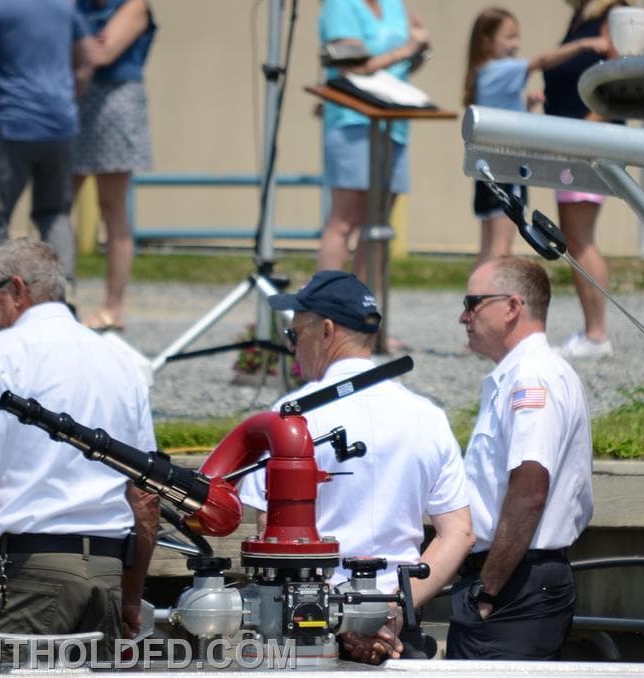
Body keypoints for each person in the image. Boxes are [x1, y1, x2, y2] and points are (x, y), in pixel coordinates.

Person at [0, 238, 160, 665]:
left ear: (17, 290)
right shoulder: (121, 362)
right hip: (106, 578)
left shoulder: (1, 353)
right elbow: (146, 497)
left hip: (28, 577)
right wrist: (130, 595)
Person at [239, 270, 473, 658]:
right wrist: (395, 609)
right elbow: (459, 534)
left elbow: (273, 534)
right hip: (399, 629)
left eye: (295, 336)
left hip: (308, 629)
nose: (293, 349)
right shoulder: (426, 416)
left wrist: (342, 619)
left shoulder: (289, 419)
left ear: (327, 331)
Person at [447, 256, 593, 660]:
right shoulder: (520, 375)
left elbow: (529, 490)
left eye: (472, 302)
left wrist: (488, 590)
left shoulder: (532, 377)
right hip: (512, 578)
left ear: (512, 307)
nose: (463, 316)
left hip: (515, 584)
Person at [0, 0, 94, 332]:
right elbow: (87, 60)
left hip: (14, 125)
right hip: (61, 127)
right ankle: (63, 300)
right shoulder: (65, 4)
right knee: (55, 213)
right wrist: (66, 102)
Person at [463, 7, 608, 267]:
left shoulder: (482, 72)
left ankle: (476, 299)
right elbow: (541, 61)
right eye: (508, 37)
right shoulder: (500, 69)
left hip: (485, 168)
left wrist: (526, 108)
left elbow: (504, 116)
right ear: (486, 39)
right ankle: (490, 300)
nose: (515, 44)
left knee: (487, 246)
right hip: (505, 171)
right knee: (501, 249)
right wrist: (583, 44)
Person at [316, 0, 429, 296]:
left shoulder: (393, 4)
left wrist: (418, 51)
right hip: (353, 121)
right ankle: (325, 319)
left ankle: (364, 319)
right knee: (345, 222)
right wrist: (406, 49)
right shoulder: (339, 5)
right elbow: (351, 66)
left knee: (378, 227)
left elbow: (401, 64)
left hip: (394, 122)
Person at [544, 0, 624, 359]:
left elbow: (619, 76)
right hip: (570, 142)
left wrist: (586, 129)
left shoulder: (613, 15)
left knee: (580, 239)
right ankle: (594, 331)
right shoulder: (581, 20)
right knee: (575, 239)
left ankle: (596, 334)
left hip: (587, 143)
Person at [73, 0, 157, 332]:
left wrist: (70, 42)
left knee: (112, 206)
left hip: (116, 103)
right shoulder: (75, 6)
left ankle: (113, 306)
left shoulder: (134, 5)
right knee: (57, 204)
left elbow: (102, 54)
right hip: (74, 99)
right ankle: (54, 301)